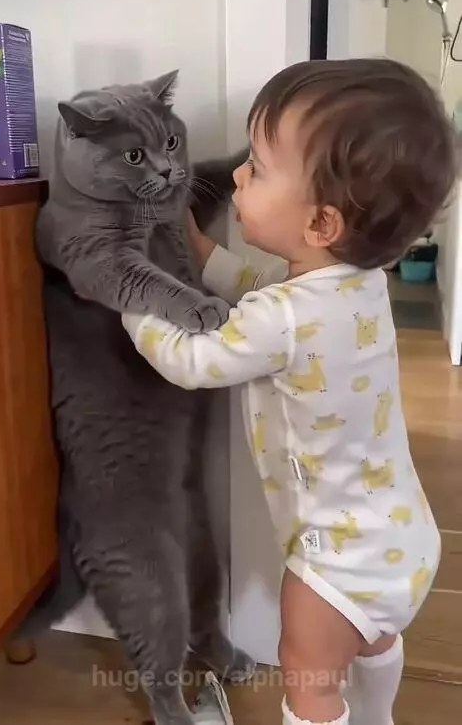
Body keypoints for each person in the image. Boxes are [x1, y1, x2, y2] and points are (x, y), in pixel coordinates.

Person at [122, 58, 458, 725]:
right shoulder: (357, 286)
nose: (239, 176)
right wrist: (202, 251)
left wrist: (133, 302)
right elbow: (262, 294)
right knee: (375, 638)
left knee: (308, 681)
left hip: (336, 563)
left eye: (259, 169)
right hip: (400, 539)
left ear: (321, 225)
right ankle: (378, 716)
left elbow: (194, 359)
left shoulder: (283, 317)